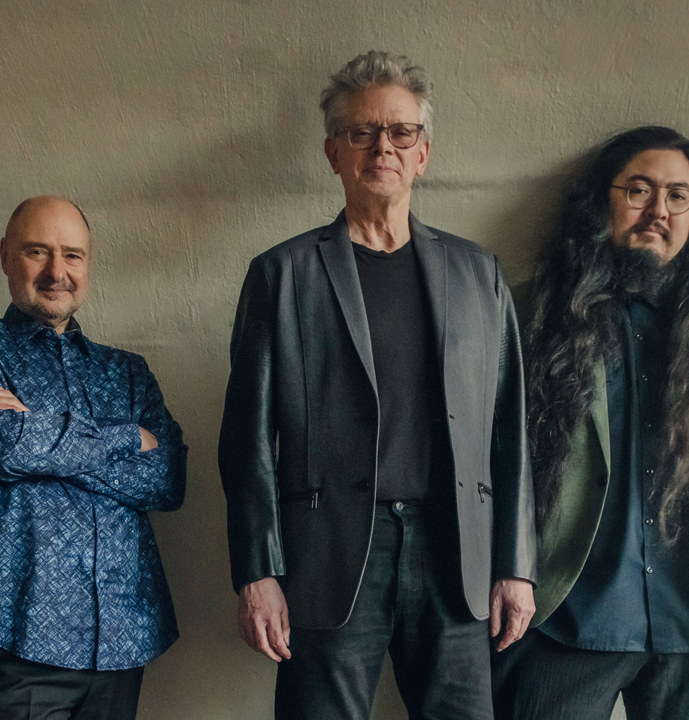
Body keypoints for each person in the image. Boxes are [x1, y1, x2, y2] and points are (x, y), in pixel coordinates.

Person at [219, 50, 536, 719]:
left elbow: (511, 431)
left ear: (423, 153)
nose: (382, 146)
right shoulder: (283, 276)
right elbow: (245, 440)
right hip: (327, 555)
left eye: (400, 132)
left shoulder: (478, 276)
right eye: (362, 132)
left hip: (457, 554)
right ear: (335, 152)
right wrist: (257, 572)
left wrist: (517, 563)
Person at [493, 125, 689, 719]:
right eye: (638, 191)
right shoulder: (528, 314)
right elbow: (485, 459)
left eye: (677, 195)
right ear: (601, 202)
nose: (657, 211)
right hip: (564, 613)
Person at [0, 195, 186, 720]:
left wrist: (38, 429)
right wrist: (127, 436)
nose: (57, 272)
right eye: (37, 252)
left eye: (72, 255)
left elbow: (167, 480)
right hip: (16, 636)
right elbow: (4, 448)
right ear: (5, 255)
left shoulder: (128, 372)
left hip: (123, 635)